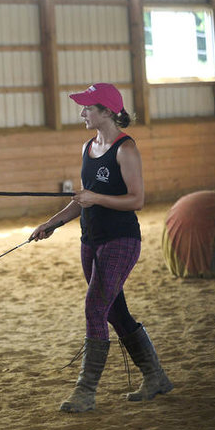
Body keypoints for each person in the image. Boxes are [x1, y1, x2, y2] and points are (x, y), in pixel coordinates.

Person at [29, 83, 173, 413]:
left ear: (107, 112)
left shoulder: (126, 150)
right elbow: (83, 200)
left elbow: (137, 200)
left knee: (95, 307)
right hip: (90, 241)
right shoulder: (88, 147)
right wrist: (53, 223)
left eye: (87, 108)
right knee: (113, 311)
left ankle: (85, 390)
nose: (82, 113)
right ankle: (155, 376)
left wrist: (96, 198)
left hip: (121, 241)